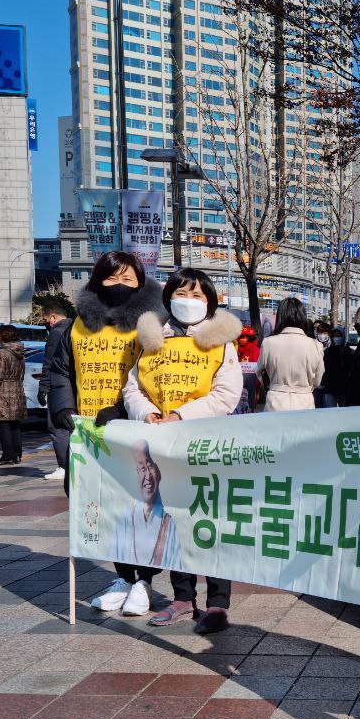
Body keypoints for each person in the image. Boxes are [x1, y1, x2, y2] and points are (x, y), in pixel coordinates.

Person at [47, 249, 168, 615]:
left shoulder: (154, 323)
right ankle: (123, 577)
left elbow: (159, 376)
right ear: (98, 280)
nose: (120, 284)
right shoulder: (75, 326)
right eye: (112, 278)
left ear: (141, 282)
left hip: (136, 430)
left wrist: (125, 406)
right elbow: (59, 372)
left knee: (142, 507)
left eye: (128, 278)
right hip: (89, 434)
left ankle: (144, 580)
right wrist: (64, 407)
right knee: (102, 508)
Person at [123, 267, 241, 633]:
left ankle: (218, 603)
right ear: (168, 297)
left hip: (208, 445)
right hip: (164, 445)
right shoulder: (150, 341)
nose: (188, 302)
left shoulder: (222, 342)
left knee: (213, 520)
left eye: (198, 295)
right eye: (181, 293)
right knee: (174, 519)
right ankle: (182, 598)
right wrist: (149, 413)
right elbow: (132, 388)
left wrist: (181, 414)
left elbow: (226, 395)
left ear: (210, 302)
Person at [108, 439, 180, 570]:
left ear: (158, 472)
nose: (147, 476)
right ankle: (125, 580)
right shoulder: (123, 520)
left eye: (150, 466)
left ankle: (144, 581)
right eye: (141, 468)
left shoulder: (169, 523)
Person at [257, 296, 323, 411]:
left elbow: (259, 372)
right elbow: (317, 380)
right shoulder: (316, 345)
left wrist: (273, 385)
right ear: (303, 317)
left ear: (280, 316)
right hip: (305, 402)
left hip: (275, 402)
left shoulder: (268, 342)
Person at [39, 299, 74, 481]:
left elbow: (50, 363)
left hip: (58, 385)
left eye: (45, 319)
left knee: (57, 426)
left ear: (52, 317)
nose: (46, 324)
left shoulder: (56, 333)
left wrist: (43, 387)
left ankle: (64, 466)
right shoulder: (75, 329)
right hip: (74, 386)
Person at [0, 324, 28, 466]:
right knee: (14, 424)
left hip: (3, 391)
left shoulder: (2, 354)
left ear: (4, 336)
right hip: (16, 389)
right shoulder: (19, 353)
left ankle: (8, 455)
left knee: (3, 424)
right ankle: (16, 454)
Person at [319, 326, 350, 407]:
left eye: (339, 335)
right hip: (330, 387)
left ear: (343, 336)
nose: (337, 338)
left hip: (344, 388)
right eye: (335, 336)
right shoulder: (327, 352)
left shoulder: (349, 352)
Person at [234, 323, 260, 415]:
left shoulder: (255, 350)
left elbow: (257, 369)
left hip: (251, 383)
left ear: (249, 338)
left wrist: (257, 388)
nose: (242, 339)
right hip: (237, 382)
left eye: (245, 337)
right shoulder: (235, 349)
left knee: (249, 407)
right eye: (240, 337)